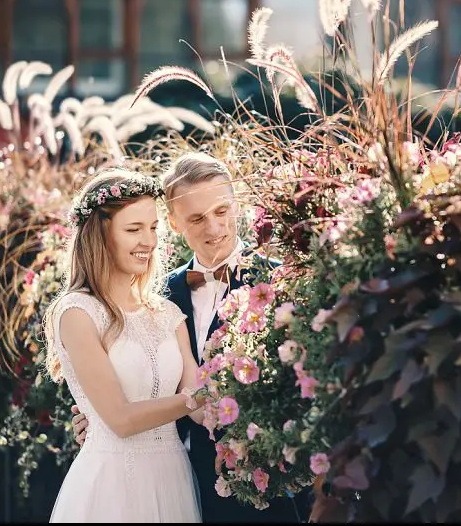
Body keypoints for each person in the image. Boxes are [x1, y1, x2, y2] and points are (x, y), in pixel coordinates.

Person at [72, 153, 307, 523]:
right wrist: (98, 418)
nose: (214, 228)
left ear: (237, 206)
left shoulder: (284, 284)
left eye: (222, 211)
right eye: (197, 218)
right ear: (173, 223)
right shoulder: (156, 296)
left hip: (270, 492)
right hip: (181, 485)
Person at [44, 168, 207, 523]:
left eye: (153, 228)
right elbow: (119, 419)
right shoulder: (77, 313)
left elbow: (199, 400)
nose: (148, 241)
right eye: (134, 229)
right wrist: (198, 397)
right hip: (111, 484)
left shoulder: (168, 313)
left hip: (173, 478)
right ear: (100, 236)